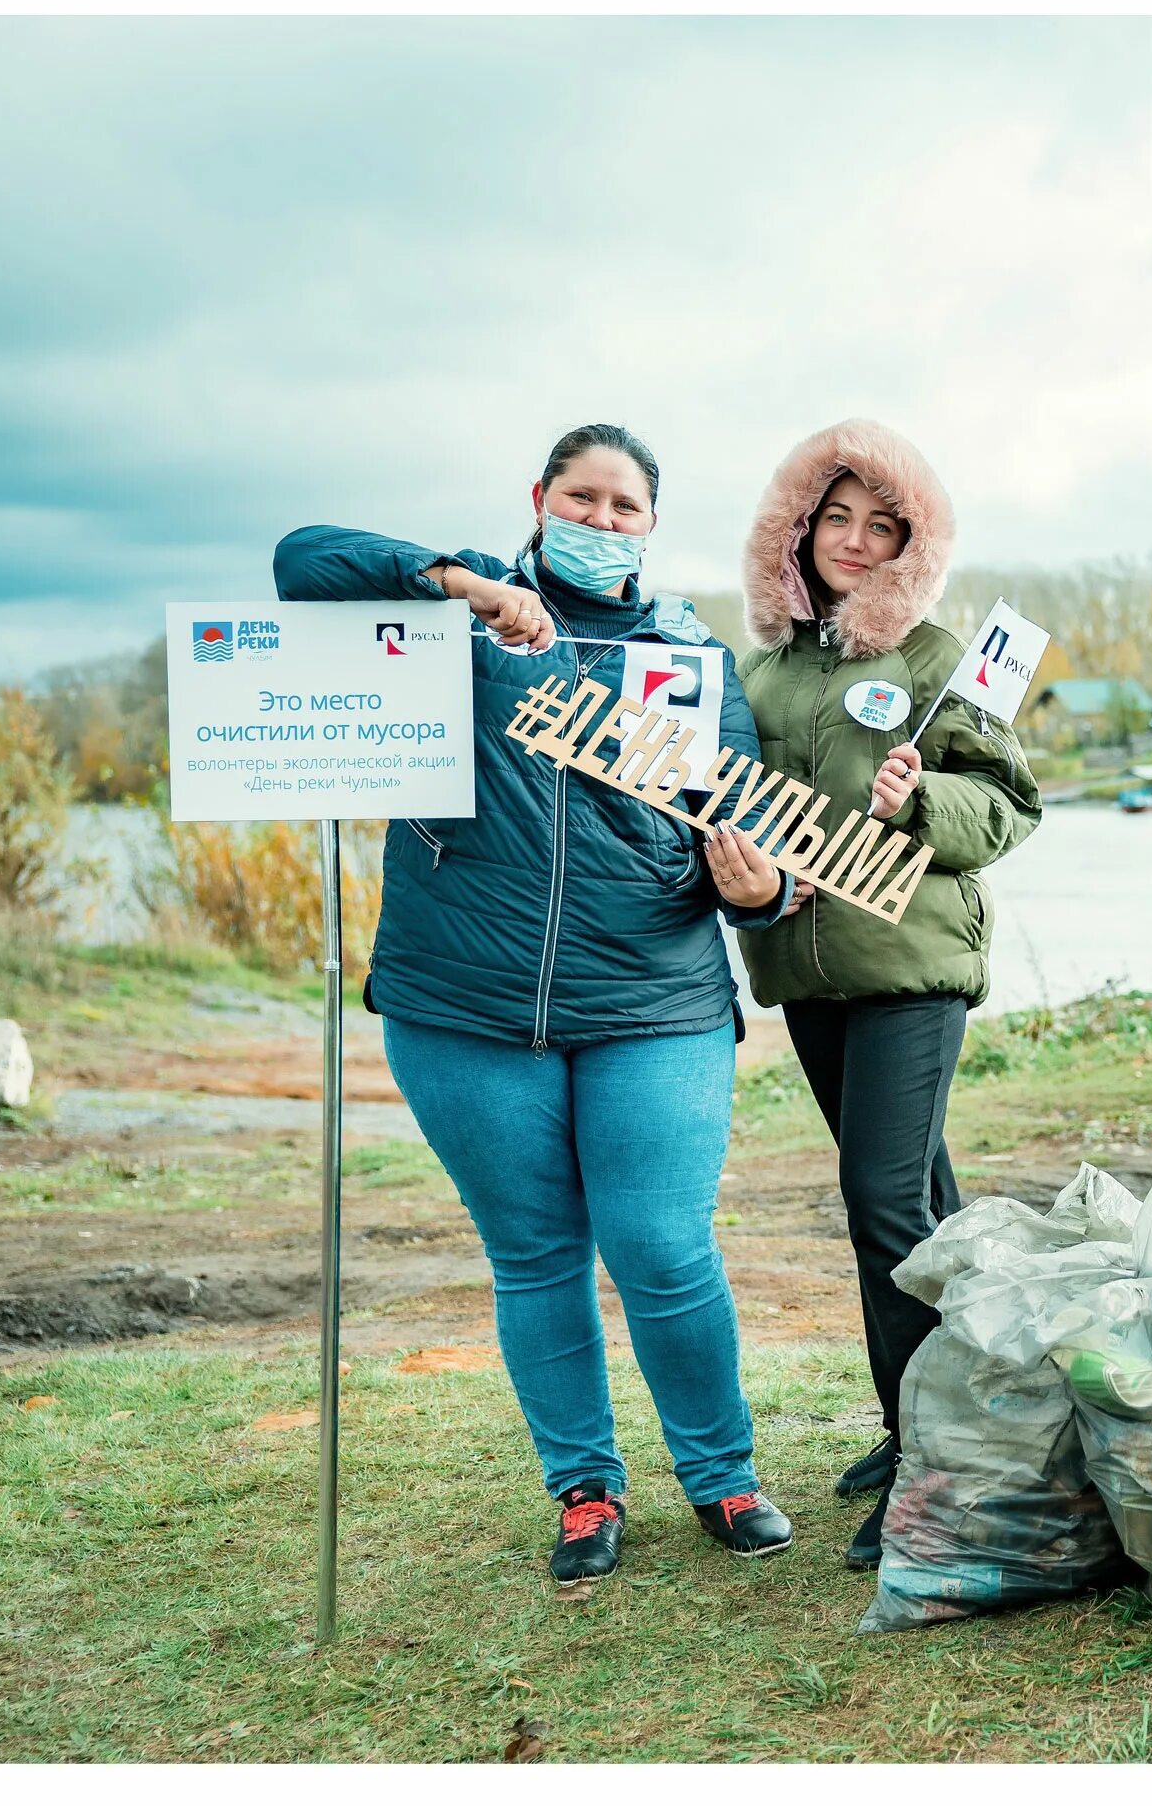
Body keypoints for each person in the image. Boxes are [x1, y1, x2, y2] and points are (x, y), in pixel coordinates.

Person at [273, 422, 799, 1586]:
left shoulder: (691, 657)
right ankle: (584, 1489)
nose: (602, 521)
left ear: (652, 526)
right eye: (582, 497)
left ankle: (723, 1475)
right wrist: (461, 582)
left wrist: (762, 891)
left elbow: (750, 837)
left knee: (662, 1247)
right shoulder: (453, 622)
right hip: (460, 1001)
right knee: (535, 1255)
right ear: (541, 499)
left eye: (625, 507)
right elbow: (300, 560)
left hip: (652, 1000)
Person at [733, 419, 1043, 1571]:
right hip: (807, 971)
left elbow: (1007, 807)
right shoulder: (760, 673)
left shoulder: (934, 657)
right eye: (837, 517)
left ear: (912, 544)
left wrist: (920, 803)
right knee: (919, 1199)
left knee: (881, 1209)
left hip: (911, 963)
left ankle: (932, 1466)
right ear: (797, 528)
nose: (856, 542)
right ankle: (947, 1416)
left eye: (884, 525)